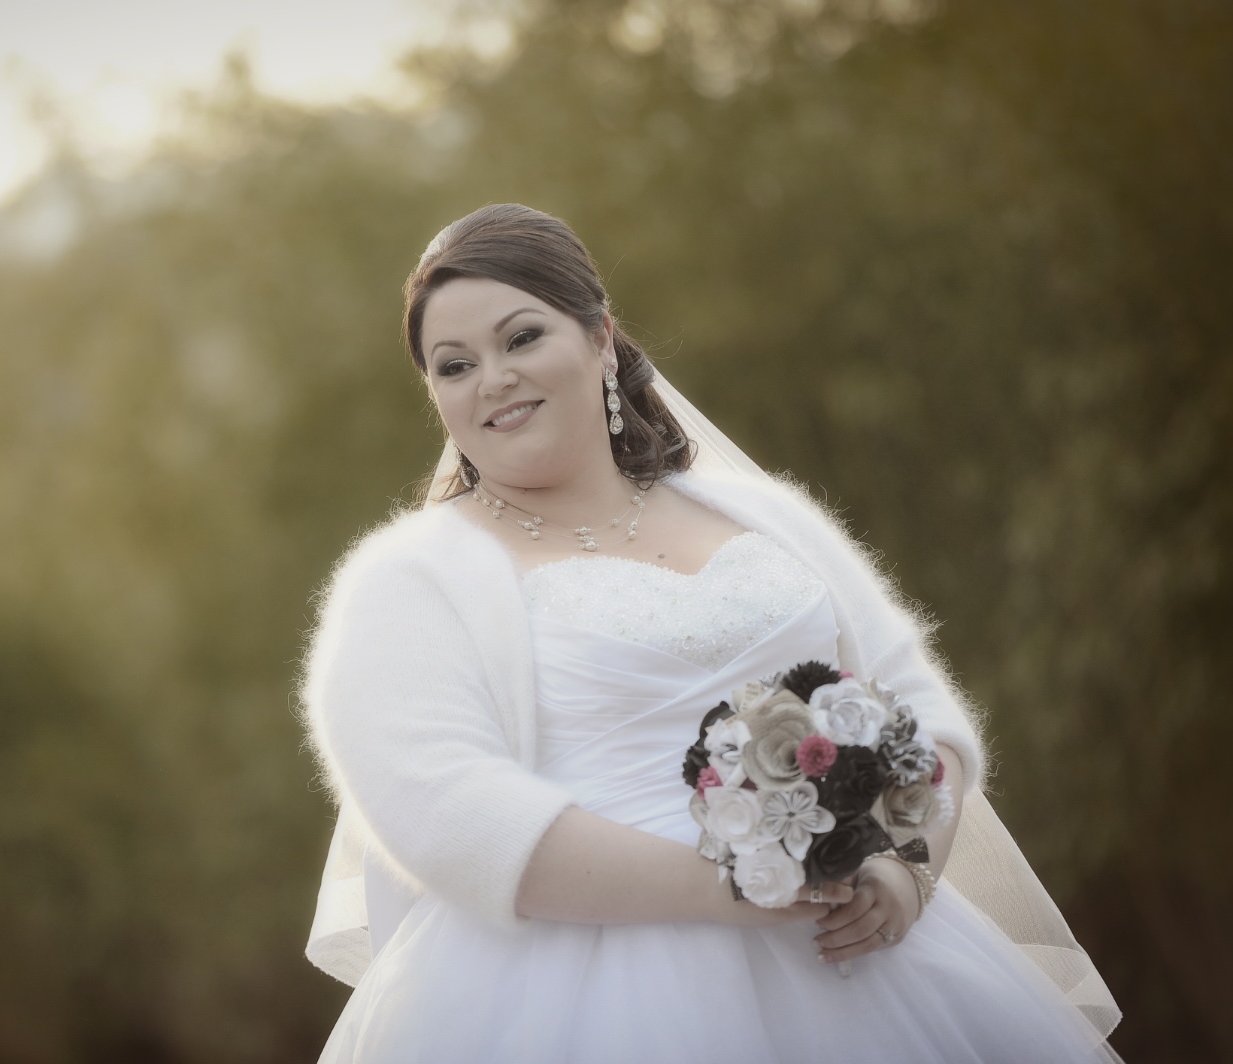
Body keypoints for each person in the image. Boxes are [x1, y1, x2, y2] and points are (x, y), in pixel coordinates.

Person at [302, 204, 1121, 1062]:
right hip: (572, 994)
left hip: (862, 960)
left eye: (522, 337)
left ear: (600, 338)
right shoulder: (410, 578)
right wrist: (737, 886)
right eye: (455, 364)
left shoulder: (763, 516)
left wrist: (905, 866)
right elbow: (444, 809)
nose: (494, 379)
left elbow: (918, 704)